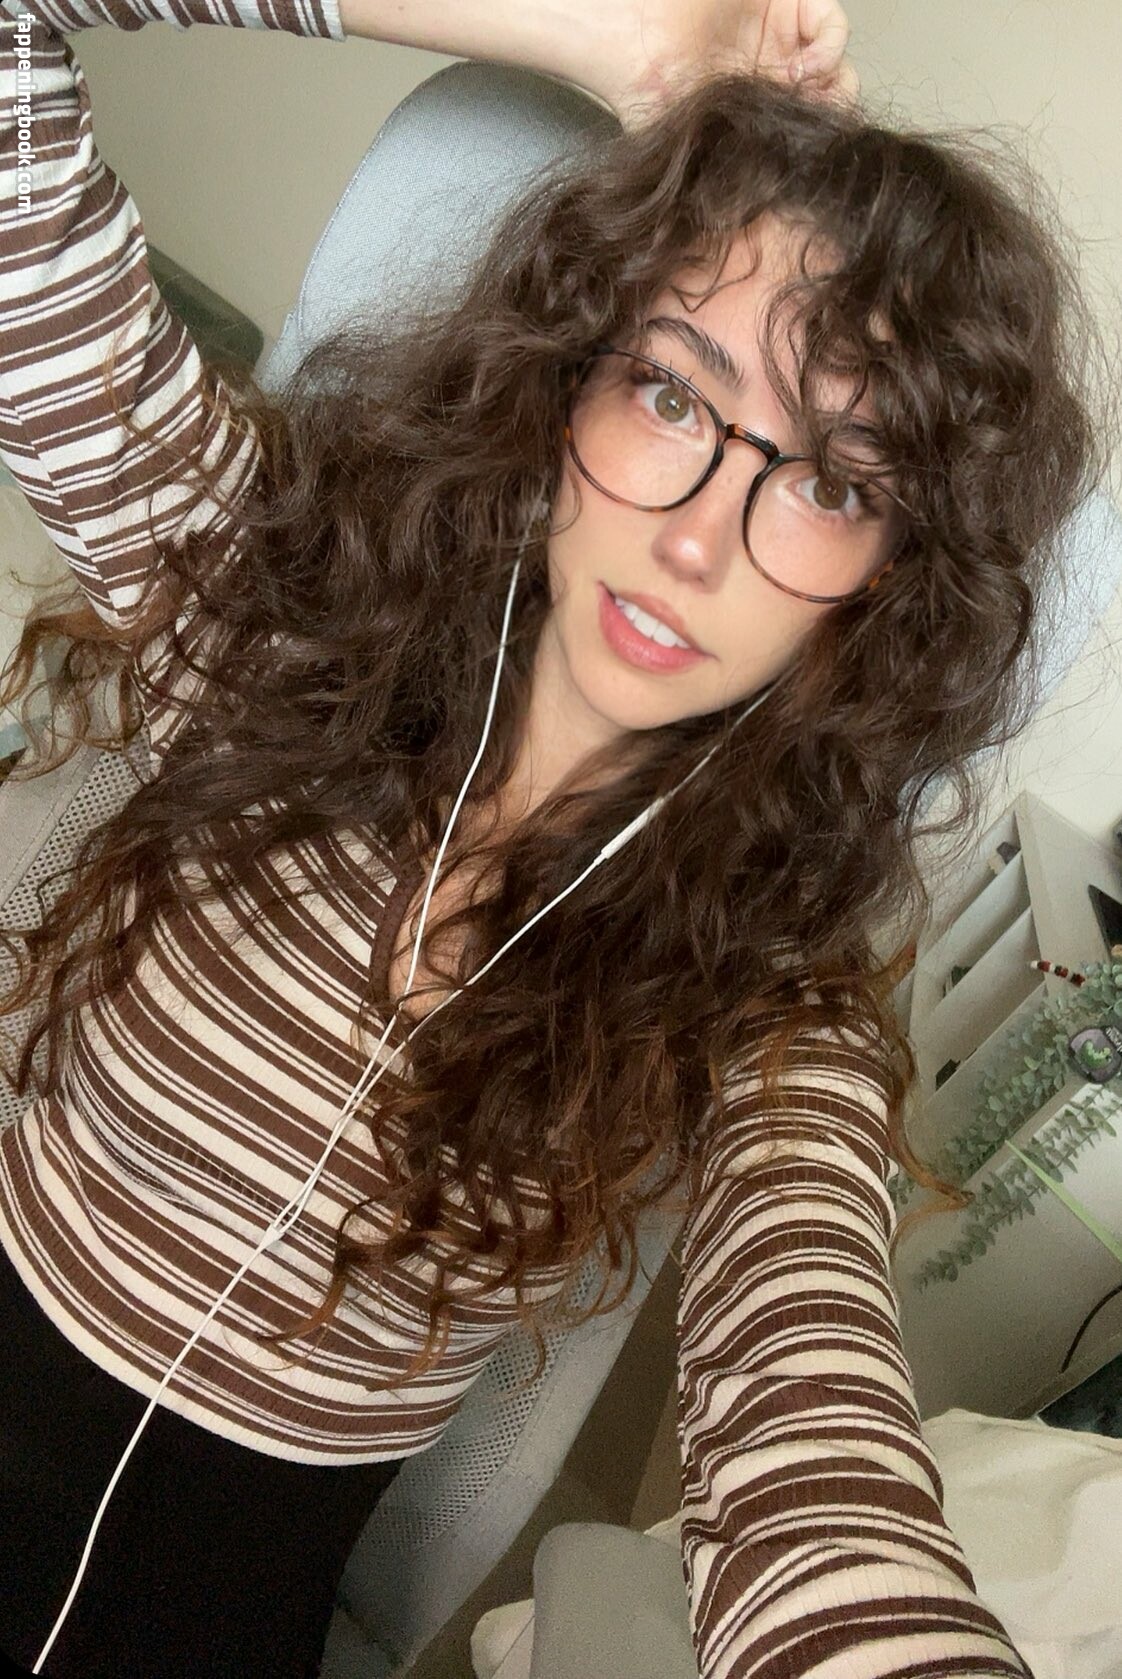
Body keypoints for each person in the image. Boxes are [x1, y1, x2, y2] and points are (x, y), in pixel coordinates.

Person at [0, 0, 1100, 1674]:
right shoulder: (260, 615)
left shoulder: (761, 995)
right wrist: (632, 44)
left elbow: (806, 1412)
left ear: (894, 580)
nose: (696, 539)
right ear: (560, 379)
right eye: (670, 393)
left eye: (831, 483)